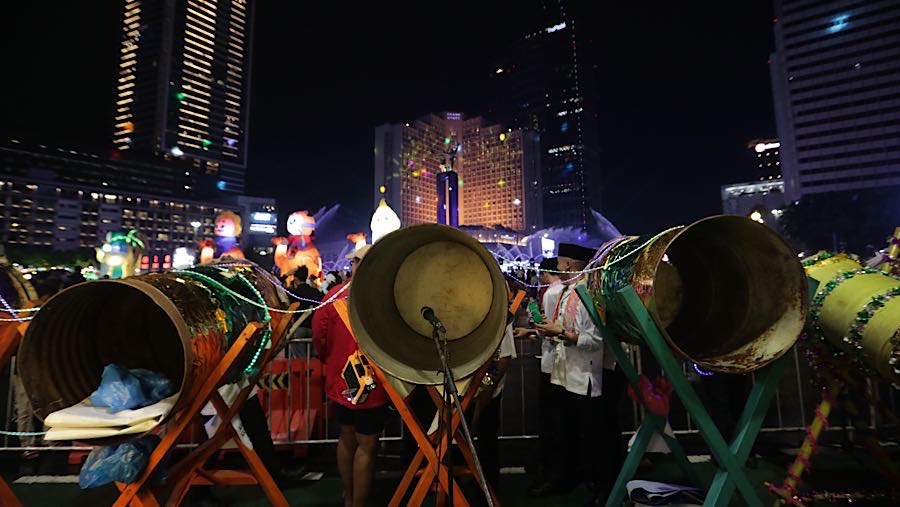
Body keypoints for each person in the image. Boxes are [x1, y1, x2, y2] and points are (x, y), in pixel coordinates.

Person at [533, 243, 620, 503]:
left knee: (595, 437)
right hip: (566, 375)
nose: (557, 266)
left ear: (569, 265)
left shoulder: (586, 295)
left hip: (585, 378)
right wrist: (552, 329)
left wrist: (558, 332)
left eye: (560, 262)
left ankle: (605, 490)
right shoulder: (568, 292)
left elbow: (594, 340)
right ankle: (577, 480)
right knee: (572, 434)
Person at [313, 245, 389, 507]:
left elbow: (319, 340)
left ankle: (348, 495)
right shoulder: (384, 299)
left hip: (339, 379)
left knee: (345, 437)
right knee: (367, 444)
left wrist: (331, 362)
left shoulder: (333, 296)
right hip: (373, 382)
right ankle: (359, 503)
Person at [515, 258, 566, 496]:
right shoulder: (561, 291)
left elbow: (550, 328)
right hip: (556, 362)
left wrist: (534, 325)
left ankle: (550, 472)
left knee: (550, 420)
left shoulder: (551, 294)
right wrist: (532, 332)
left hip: (551, 364)